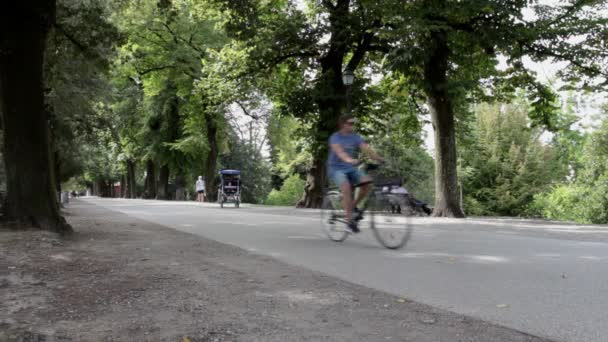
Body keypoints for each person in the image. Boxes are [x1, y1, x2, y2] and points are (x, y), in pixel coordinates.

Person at [327, 114, 383, 232]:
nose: (352, 125)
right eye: (350, 123)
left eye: (354, 123)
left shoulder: (355, 137)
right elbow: (340, 153)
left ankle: (351, 207)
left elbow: (367, 149)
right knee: (346, 187)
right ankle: (349, 222)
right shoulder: (335, 137)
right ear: (343, 124)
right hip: (336, 168)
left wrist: (379, 159)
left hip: (351, 168)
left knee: (367, 183)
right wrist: (350, 160)